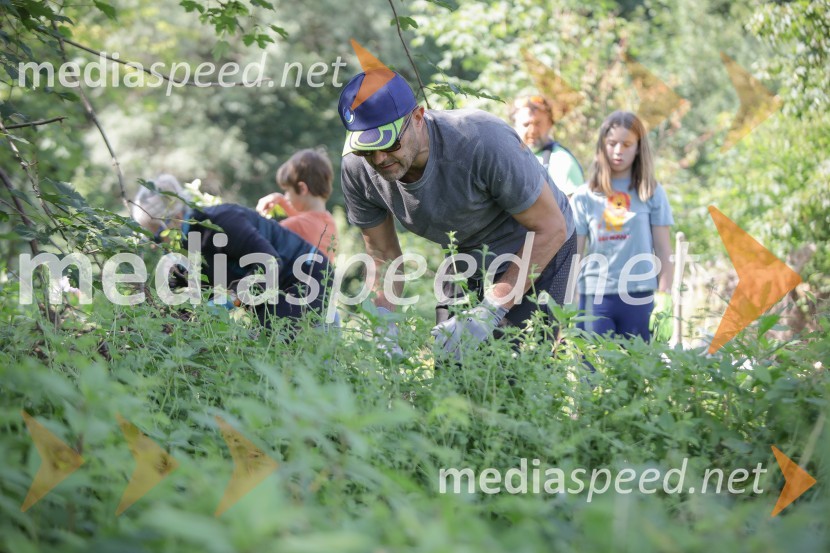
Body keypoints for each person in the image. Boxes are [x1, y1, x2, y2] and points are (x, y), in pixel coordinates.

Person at [337, 70, 576, 361]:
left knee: (516, 367)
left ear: (418, 117)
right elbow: (382, 254)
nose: (379, 159)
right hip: (466, 249)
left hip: (537, 243)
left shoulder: (481, 139)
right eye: (366, 149)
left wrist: (489, 311)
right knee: (451, 364)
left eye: (390, 143)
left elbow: (551, 227)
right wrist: (382, 325)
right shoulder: (357, 169)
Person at [132, 174, 333, 328]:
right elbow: (180, 303)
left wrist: (230, 301)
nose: (154, 245)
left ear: (174, 217)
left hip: (305, 274)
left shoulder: (222, 222)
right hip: (274, 287)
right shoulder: (182, 254)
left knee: (273, 343)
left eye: (156, 237)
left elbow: (270, 263)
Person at [570, 111, 674, 342]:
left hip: (639, 296)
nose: (618, 151)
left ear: (638, 148)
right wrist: (569, 299)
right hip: (595, 296)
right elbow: (575, 253)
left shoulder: (651, 192)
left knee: (636, 365)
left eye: (627, 144)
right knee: (593, 364)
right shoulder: (584, 195)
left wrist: (665, 297)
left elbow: (664, 249)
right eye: (612, 143)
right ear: (602, 145)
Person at [256, 148, 339, 262]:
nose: (286, 196)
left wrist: (259, 218)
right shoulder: (329, 222)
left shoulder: (294, 226)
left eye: (287, 191)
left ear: (302, 188)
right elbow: (308, 222)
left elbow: (257, 243)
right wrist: (281, 201)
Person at [511, 94, 583, 198]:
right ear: (514, 125)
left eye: (538, 124)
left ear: (550, 124)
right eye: (526, 124)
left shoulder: (562, 160)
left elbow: (574, 206)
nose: (532, 131)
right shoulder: (507, 157)